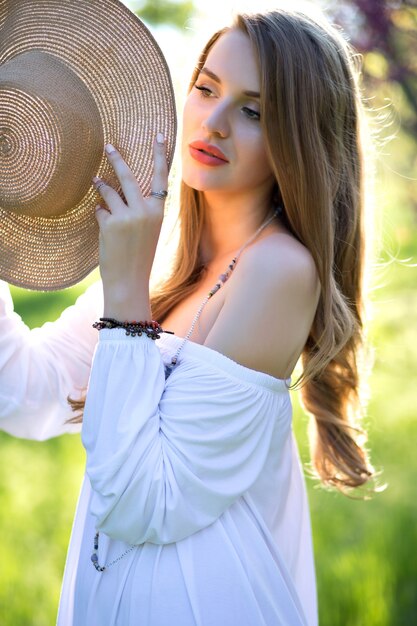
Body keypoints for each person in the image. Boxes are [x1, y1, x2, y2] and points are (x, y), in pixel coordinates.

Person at [0, 8, 376, 626]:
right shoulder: (169, 255)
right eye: (207, 88)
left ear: (301, 139)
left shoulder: (278, 270)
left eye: (254, 111)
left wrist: (124, 295)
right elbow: (29, 392)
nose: (215, 122)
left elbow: (147, 501)